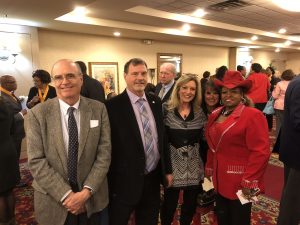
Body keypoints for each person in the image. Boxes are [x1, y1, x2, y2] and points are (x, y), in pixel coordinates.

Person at [27, 59, 111, 225]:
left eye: (70, 76)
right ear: (53, 81)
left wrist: (86, 193)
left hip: (92, 199)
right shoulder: (38, 113)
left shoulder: (98, 109)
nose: (64, 82)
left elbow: (104, 154)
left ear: (81, 79)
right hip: (53, 201)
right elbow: (36, 161)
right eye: (58, 77)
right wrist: (67, 195)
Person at [105, 58, 172, 225]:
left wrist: (167, 170)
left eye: (143, 73)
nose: (140, 78)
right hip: (124, 181)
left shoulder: (155, 102)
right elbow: (107, 146)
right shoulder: (112, 106)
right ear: (125, 76)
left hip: (152, 178)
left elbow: (162, 139)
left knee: (149, 219)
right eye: (135, 74)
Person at [205, 70, 270, 225]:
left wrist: (250, 181)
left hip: (242, 181)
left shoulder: (253, 115)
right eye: (224, 92)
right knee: (222, 217)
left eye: (234, 92)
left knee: (239, 219)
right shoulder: (216, 113)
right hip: (219, 178)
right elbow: (212, 147)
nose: (228, 95)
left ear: (242, 94)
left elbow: (261, 152)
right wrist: (209, 171)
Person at [160, 74, 206, 225]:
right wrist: (166, 171)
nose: (188, 92)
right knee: (169, 205)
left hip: (194, 167)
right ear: (178, 89)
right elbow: (162, 142)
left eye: (192, 89)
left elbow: (204, 141)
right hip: (172, 166)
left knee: (190, 205)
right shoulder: (166, 109)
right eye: (185, 88)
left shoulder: (200, 112)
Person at [277, 75, 300, 225]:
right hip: (297, 150)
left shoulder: (296, 81)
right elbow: (298, 120)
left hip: (293, 147)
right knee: (292, 198)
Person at [0, 75, 26, 181]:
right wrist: (21, 113)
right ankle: (14, 180)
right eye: (13, 82)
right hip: (11, 134)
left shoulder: (9, 94)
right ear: (6, 84)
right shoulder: (3, 99)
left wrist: (24, 101)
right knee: (13, 159)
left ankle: (15, 178)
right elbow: (8, 119)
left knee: (15, 157)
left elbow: (13, 108)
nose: (16, 83)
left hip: (16, 132)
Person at [0, 97, 20, 225]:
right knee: (8, 191)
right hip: (8, 149)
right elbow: (13, 128)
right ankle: (12, 221)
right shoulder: (4, 103)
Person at [272, 69, 295, 138]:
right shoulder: (294, 83)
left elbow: (275, 96)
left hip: (279, 105)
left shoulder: (279, 83)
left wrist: (273, 91)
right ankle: (287, 138)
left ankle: (278, 140)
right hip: (290, 106)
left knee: (279, 123)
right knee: (288, 124)